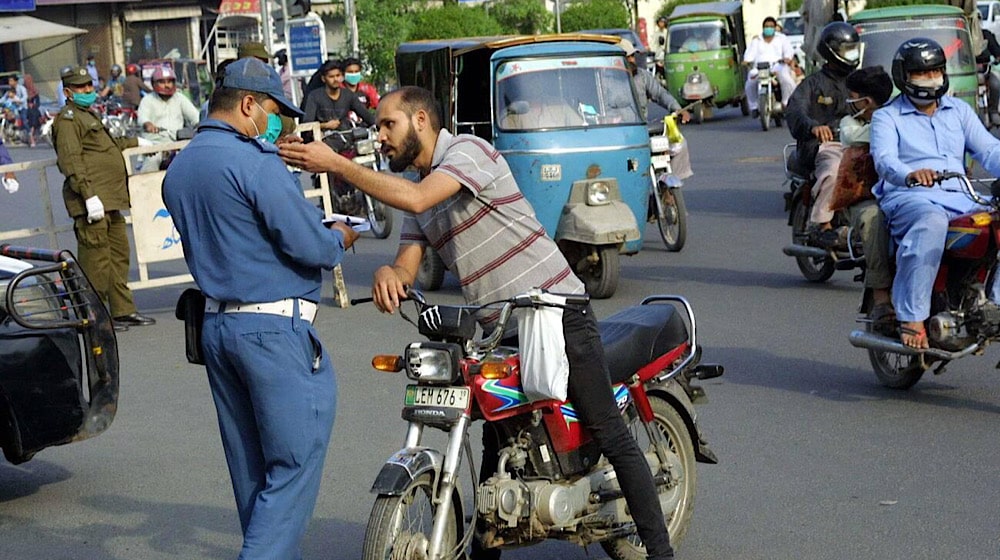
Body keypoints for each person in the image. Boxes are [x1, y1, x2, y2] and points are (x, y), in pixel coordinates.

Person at [277, 85, 678, 560]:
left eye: (389, 124)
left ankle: (660, 551)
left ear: (421, 120)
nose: (379, 135)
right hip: (497, 328)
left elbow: (420, 199)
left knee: (606, 428)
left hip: (555, 311)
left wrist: (339, 165)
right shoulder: (419, 189)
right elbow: (408, 258)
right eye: (379, 126)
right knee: (496, 438)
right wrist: (390, 273)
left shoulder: (468, 152)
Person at [162, 57, 360, 560]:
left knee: (252, 469)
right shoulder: (254, 161)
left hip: (217, 327)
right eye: (273, 111)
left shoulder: (181, 166)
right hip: (272, 330)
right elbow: (309, 246)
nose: (278, 123)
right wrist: (338, 236)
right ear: (248, 104)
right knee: (294, 461)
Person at [871, 38, 1000, 349]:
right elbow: (885, 160)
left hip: (962, 197)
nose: (931, 78)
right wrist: (910, 174)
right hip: (909, 197)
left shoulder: (958, 111)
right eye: (921, 73)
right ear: (904, 76)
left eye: (936, 71)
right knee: (931, 221)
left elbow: (989, 148)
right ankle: (912, 316)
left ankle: (994, 305)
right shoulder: (886, 117)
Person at [52, 66, 155, 332]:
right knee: (95, 263)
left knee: (118, 258)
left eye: (89, 85)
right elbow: (71, 160)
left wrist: (136, 142)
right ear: (68, 92)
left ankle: (122, 311)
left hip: (110, 200)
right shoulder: (68, 120)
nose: (88, 91)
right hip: (93, 202)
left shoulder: (88, 115)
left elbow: (105, 147)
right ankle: (94, 316)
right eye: (81, 87)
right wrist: (88, 197)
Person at [785, 21, 860, 242]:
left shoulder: (860, 81)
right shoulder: (812, 84)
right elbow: (794, 110)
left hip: (858, 143)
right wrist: (813, 126)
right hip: (822, 147)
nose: (853, 54)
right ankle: (823, 224)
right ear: (832, 52)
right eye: (848, 50)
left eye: (854, 48)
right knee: (834, 169)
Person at [834, 66, 896, 332]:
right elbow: (851, 136)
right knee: (873, 219)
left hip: (911, 192)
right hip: (867, 196)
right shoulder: (855, 125)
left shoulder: (910, 115)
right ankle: (881, 297)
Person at [621, 39, 694, 180]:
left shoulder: (642, 76)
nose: (631, 60)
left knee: (679, 144)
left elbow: (660, 94)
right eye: (627, 57)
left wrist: (677, 109)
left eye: (632, 56)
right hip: (620, 136)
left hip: (643, 131)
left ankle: (670, 183)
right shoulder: (606, 80)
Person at [301, 59, 375, 151]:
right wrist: (325, 125)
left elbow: (367, 115)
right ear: (324, 79)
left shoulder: (348, 95)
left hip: (347, 140)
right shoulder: (314, 96)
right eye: (331, 76)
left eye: (338, 76)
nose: (335, 79)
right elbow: (306, 124)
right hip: (323, 143)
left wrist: (378, 125)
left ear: (342, 77)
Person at [137, 66, 200, 171]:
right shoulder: (147, 100)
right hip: (156, 144)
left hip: (177, 142)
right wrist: (148, 124)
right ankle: (147, 186)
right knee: (152, 161)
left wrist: (200, 125)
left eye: (169, 82)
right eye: (162, 82)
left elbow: (195, 117)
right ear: (154, 84)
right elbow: (142, 117)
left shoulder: (179, 98)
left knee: (194, 158)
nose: (167, 85)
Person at [743, 16, 797, 118]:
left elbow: (788, 51)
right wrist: (746, 60)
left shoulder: (781, 38)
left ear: (775, 27)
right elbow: (749, 54)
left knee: (788, 81)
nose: (768, 28)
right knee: (749, 83)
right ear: (763, 27)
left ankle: (785, 102)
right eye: (766, 26)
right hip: (760, 68)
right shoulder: (756, 40)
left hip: (777, 66)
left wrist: (787, 58)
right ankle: (754, 106)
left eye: (771, 26)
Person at [976, 28, 1000, 126]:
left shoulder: (985, 34)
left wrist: (996, 59)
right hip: (964, 74)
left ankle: (993, 111)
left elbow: (997, 53)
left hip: (984, 73)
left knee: (995, 84)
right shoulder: (959, 34)